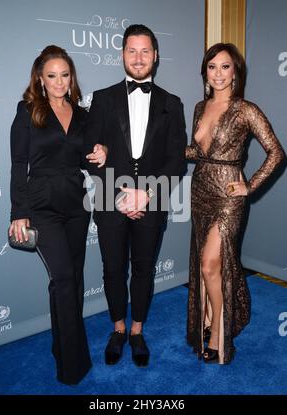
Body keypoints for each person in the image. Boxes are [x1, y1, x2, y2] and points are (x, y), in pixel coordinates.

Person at [86, 24, 186, 367]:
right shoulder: (101, 99)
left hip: (152, 201)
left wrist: (146, 194)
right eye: (132, 50)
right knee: (113, 269)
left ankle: (137, 331)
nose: (139, 58)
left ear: (155, 56)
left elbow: (176, 160)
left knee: (144, 268)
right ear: (122, 55)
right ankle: (117, 328)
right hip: (110, 201)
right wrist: (119, 195)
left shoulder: (172, 103)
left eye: (145, 51)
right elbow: (93, 153)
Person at [9, 45, 107, 385]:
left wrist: (101, 152)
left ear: (71, 77)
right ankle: (73, 363)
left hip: (76, 204)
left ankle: (60, 346)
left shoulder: (82, 115)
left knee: (72, 280)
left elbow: (87, 158)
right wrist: (19, 212)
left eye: (65, 75)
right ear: (40, 77)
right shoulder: (28, 111)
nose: (59, 81)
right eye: (52, 75)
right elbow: (20, 163)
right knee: (64, 278)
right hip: (42, 205)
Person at [185, 43, 286, 364]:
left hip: (229, 196)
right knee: (206, 264)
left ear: (235, 73)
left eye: (225, 67)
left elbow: (276, 152)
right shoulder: (200, 108)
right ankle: (211, 319)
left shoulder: (246, 109)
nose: (218, 73)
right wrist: (161, 149)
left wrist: (250, 186)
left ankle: (219, 335)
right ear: (205, 72)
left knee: (210, 264)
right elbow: (198, 152)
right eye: (212, 67)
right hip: (200, 190)